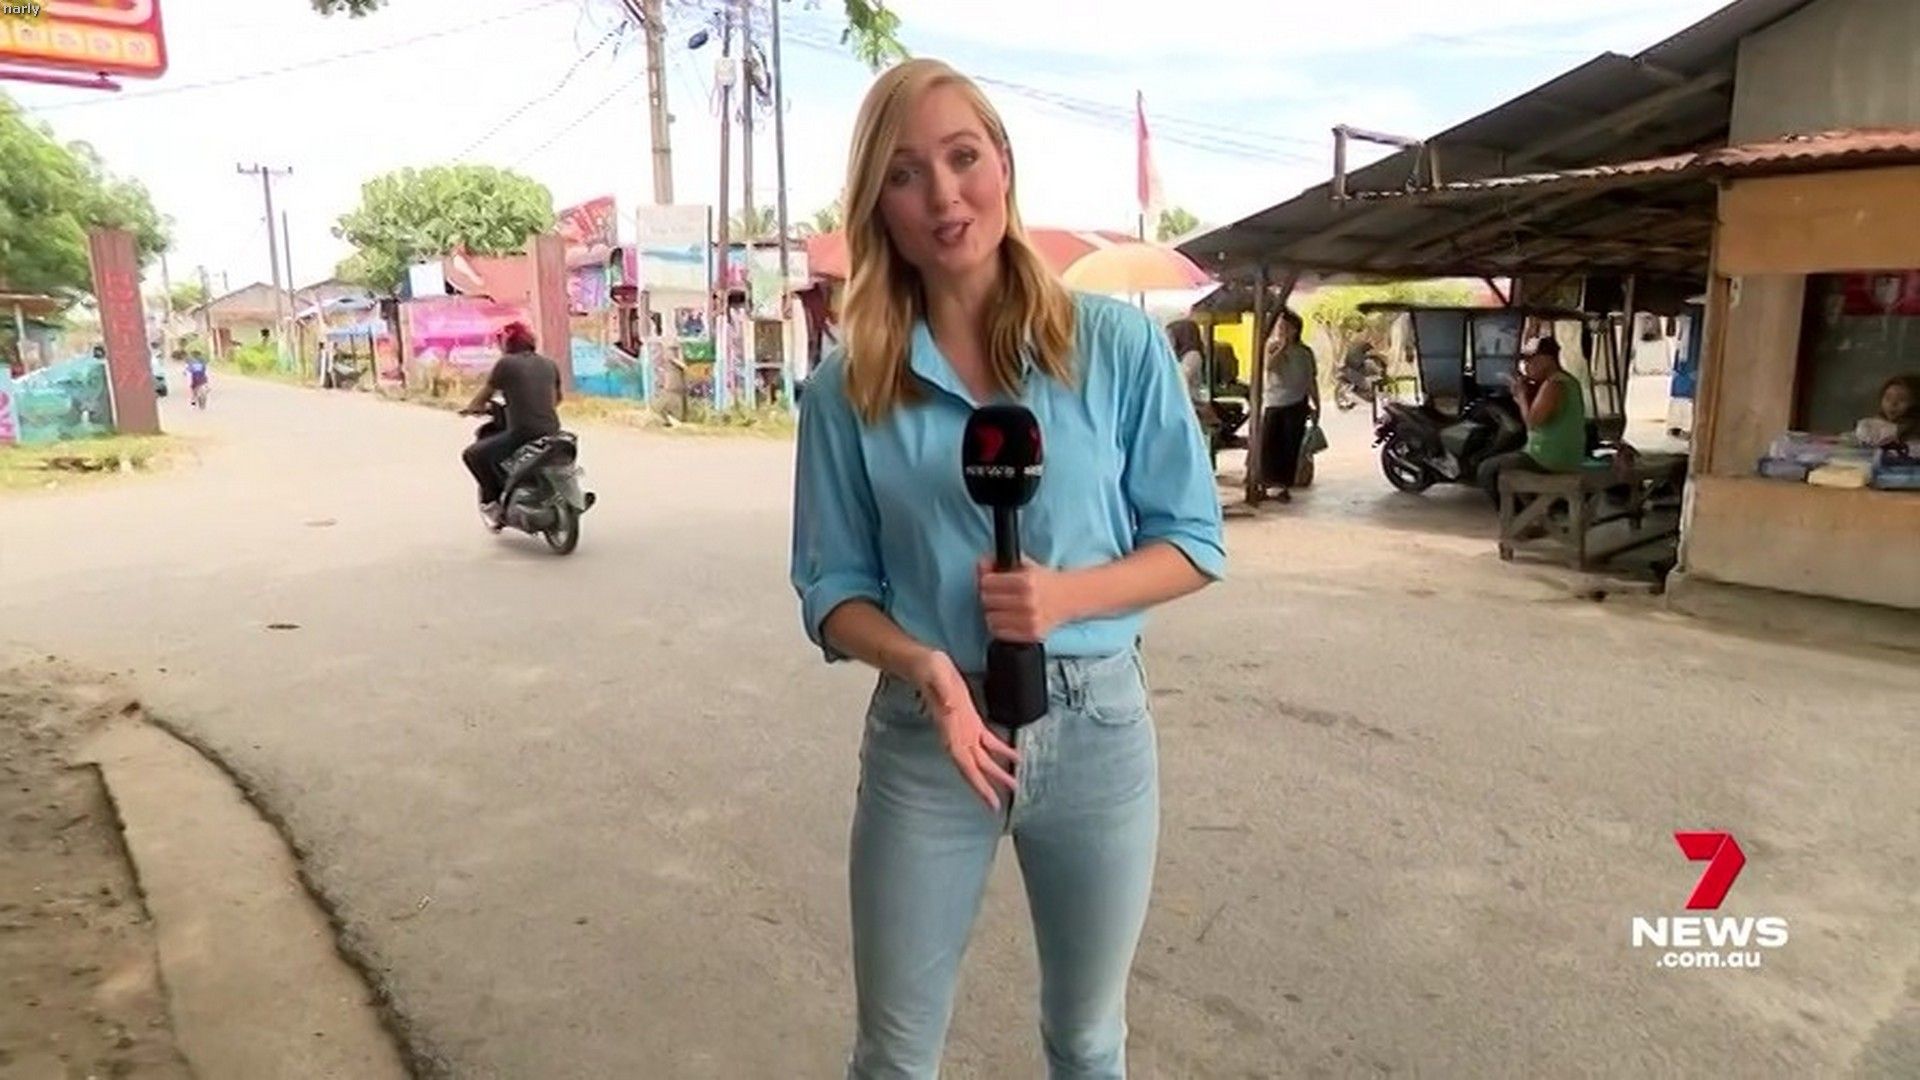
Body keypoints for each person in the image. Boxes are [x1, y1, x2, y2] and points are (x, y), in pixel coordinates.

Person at [789, 58, 1225, 1079]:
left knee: (1088, 1041)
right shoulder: (848, 389)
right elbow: (831, 588)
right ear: (878, 207)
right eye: (905, 175)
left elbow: (1193, 540)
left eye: (962, 157)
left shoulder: (1114, 347)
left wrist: (1066, 596)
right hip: (929, 732)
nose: (943, 195)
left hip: (1096, 725)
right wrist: (925, 668)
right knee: (894, 1056)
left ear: (1003, 167)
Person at [459, 322, 562, 528]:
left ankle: (492, 502)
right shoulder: (549, 364)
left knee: (472, 455)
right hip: (552, 430)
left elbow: (482, 397)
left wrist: (472, 408)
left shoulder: (505, 364)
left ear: (507, 343)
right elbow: (557, 399)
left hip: (522, 433)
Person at [1476, 336, 1588, 494]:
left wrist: (1522, 395)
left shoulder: (1554, 384)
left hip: (1549, 459)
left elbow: (1532, 422)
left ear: (1547, 359)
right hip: (1568, 457)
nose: (1527, 366)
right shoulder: (1570, 381)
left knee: (1487, 469)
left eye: (1530, 360)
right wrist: (1520, 395)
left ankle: (1512, 509)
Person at [1259, 308, 1318, 501]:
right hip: (1274, 402)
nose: (1281, 330)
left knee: (1290, 446)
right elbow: (1270, 367)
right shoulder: (1272, 348)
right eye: (1280, 327)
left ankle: (1283, 487)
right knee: (1269, 446)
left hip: (1297, 403)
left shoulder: (1304, 352)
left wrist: (1317, 404)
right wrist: (1282, 347)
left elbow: (1311, 380)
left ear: (1295, 329)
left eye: (1285, 327)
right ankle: (1266, 484)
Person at [1166, 318, 1218, 455]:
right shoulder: (1185, 356)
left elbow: (1181, 380)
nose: (1169, 340)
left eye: (1171, 336)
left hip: (1191, 405)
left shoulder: (1192, 356)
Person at [1856, 373, 1918, 452]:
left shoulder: (1914, 429)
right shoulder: (1878, 422)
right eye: (1888, 398)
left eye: (1901, 399)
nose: (1892, 404)